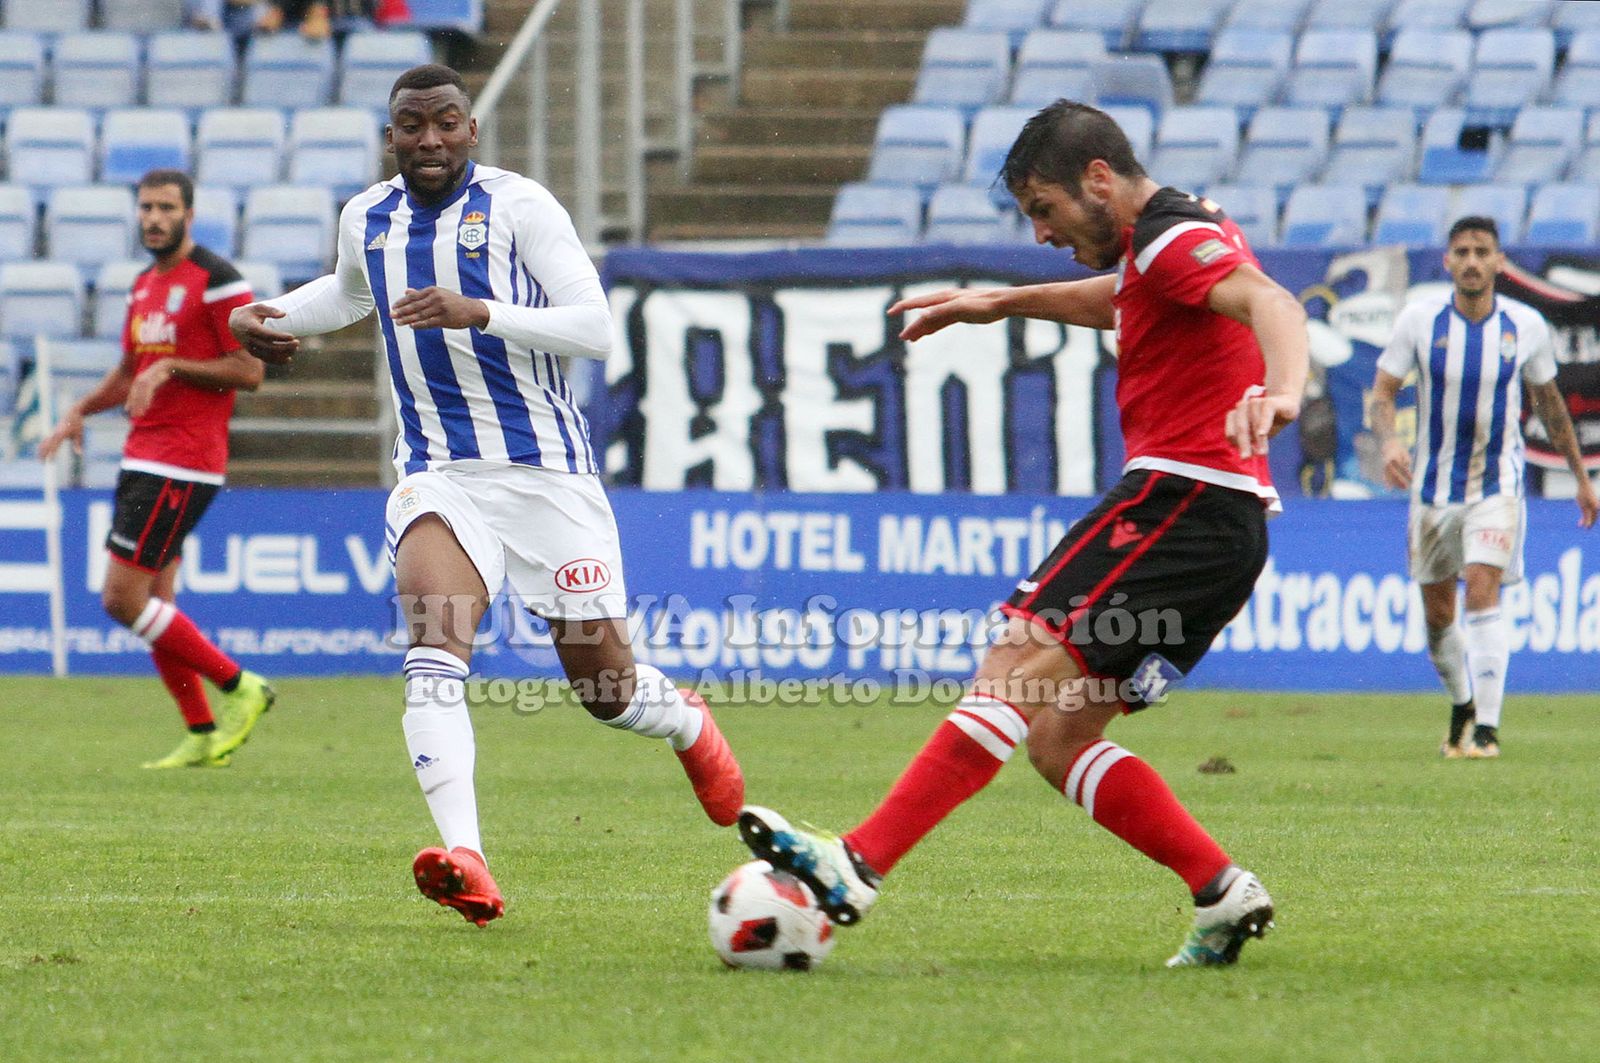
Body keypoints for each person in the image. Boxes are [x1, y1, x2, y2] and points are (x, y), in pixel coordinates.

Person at [735, 99, 1309, 968]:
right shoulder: (1164, 243)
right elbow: (1125, 298)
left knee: (1013, 661)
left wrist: (1286, 391)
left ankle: (856, 865)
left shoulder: (1168, 234)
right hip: (1224, 530)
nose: (1041, 232)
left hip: (1180, 503)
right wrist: (998, 304)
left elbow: (1275, 305)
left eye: (1044, 210)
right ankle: (1221, 890)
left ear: (1099, 180)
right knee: (1058, 736)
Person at [228, 63, 744, 927]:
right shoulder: (369, 217)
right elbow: (350, 295)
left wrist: (483, 312)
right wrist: (267, 313)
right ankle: (467, 855)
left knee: (607, 691)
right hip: (438, 475)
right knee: (433, 649)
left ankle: (686, 723)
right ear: (389, 136)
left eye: (446, 123)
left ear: (472, 129)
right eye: (410, 126)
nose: (429, 139)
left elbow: (594, 325)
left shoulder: (521, 208)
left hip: (547, 478)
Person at [38, 169, 276, 769]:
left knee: (121, 600)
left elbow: (249, 371)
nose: (153, 218)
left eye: (165, 207)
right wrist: (79, 410)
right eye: (145, 207)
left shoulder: (219, 281)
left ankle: (240, 686)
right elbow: (129, 370)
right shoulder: (143, 284)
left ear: (188, 215)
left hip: (184, 462)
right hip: (143, 455)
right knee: (155, 603)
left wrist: (171, 367)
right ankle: (199, 730)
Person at [1369, 216, 1596, 760]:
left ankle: (1489, 730)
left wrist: (1583, 480)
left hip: (1498, 485)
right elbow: (1381, 394)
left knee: (1482, 582)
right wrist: (1387, 443)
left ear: (1498, 262)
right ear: (1448, 261)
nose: (1472, 261)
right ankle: (1463, 702)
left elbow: (1550, 406)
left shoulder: (1526, 326)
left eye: (1482, 252)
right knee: (1438, 618)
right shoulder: (1419, 322)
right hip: (1432, 490)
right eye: (1463, 251)